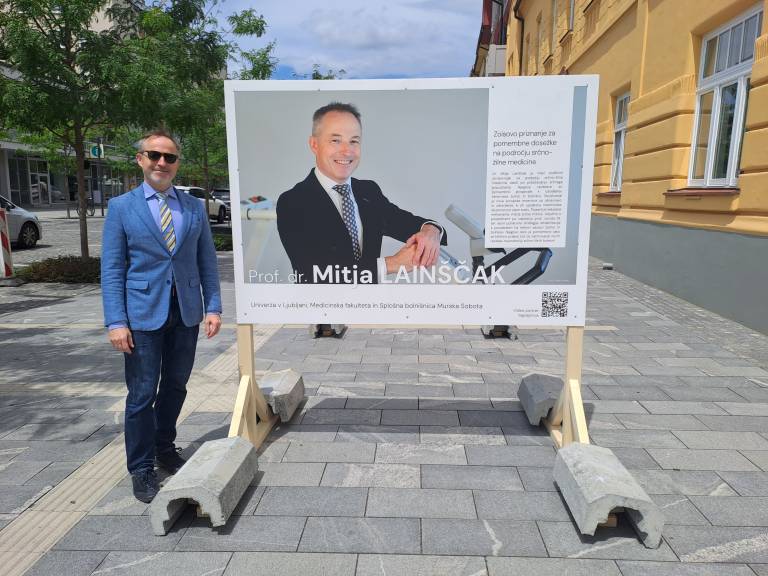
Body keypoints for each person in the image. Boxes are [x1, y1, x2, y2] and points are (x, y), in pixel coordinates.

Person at [101, 129, 222, 503]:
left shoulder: (193, 207)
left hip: (185, 311)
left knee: (176, 385)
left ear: (177, 163)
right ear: (140, 159)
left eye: (170, 157)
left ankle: (164, 447)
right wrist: (116, 322)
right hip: (141, 314)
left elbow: (206, 260)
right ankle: (141, 467)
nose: (162, 162)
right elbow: (113, 268)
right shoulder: (122, 207)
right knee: (141, 394)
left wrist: (213, 306)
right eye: (154, 155)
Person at [276, 102, 447, 284]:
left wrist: (431, 230)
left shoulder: (368, 191)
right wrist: (392, 264)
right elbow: (314, 273)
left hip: (370, 301)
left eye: (354, 141)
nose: (347, 151)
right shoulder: (292, 202)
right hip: (321, 302)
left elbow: (406, 223)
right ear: (314, 144)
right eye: (335, 140)